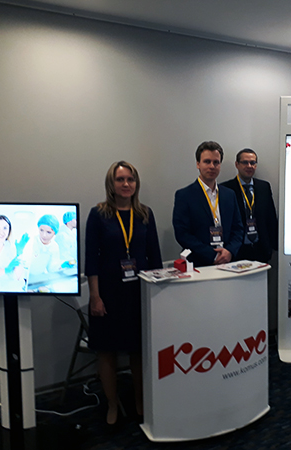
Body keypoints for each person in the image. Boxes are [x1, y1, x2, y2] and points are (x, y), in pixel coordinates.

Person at [85, 161, 162, 425]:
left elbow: (154, 257)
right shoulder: (99, 214)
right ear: (111, 184)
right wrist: (95, 297)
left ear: (136, 183)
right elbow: (91, 260)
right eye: (120, 180)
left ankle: (140, 401)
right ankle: (112, 404)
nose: (126, 184)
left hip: (138, 292)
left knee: (138, 350)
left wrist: (156, 296)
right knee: (106, 350)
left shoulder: (145, 214)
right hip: (108, 293)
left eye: (130, 179)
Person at [172, 141, 244, 267]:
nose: (212, 166)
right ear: (198, 164)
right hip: (199, 264)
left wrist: (230, 251)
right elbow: (182, 234)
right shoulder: (184, 195)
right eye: (207, 161)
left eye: (216, 162)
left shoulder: (229, 194)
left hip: (228, 262)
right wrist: (212, 255)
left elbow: (238, 228)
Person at [220, 148, 278, 263]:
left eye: (252, 163)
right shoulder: (225, 189)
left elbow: (270, 217)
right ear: (237, 164)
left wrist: (273, 246)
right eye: (245, 162)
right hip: (237, 250)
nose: (249, 166)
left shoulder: (264, 187)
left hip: (261, 249)